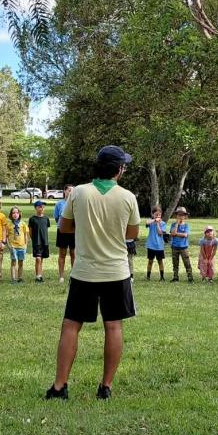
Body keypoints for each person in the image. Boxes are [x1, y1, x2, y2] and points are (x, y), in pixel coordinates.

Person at [46, 146, 139, 401]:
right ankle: (105, 386)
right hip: (116, 271)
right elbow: (131, 234)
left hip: (85, 271)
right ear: (119, 170)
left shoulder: (79, 192)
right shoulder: (128, 197)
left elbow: (64, 227)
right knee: (114, 326)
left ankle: (59, 386)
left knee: (71, 326)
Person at [54, 184, 75, 283]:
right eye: (69, 190)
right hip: (62, 231)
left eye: (73, 190)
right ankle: (61, 276)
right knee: (62, 253)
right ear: (64, 191)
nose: (71, 192)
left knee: (73, 253)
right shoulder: (59, 204)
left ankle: (74, 275)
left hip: (74, 231)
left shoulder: (76, 203)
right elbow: (56, 218)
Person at [169, 207, 193, 283]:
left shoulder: (186, 225)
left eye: (182, 215)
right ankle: (175, 277)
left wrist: (176, 234)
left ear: (185, 216)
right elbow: (172, 234)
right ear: (176, 216)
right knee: (175, 263)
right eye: (179, 215)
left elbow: (185, 235)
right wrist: (176, 225)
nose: (180, 217)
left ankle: (190, 277)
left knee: (187, 263)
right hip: (174, 247)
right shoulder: (173, 225)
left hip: (184, 247)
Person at [28, 201, 50, 282]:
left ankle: (40, 275)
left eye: (43, 207)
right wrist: (33, 240)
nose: (42, 208)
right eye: (40, 207)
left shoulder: (46, 219)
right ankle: (37, 276)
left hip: (44, 242)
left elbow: (45, 229)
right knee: (38, 259)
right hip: (37, 242)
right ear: (36, 208)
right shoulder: (32, 219)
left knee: (41, 259)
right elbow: (30, 231)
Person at [144, 207, 168, 281]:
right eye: (156, 214)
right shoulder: (151, 222)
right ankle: (148, 276)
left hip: (159, 246)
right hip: (151, 245)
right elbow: (146, 223)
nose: (158, 216)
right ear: (153, 214)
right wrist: (154, 220)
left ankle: (162, 277)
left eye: (159, 215)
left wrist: (157, 224)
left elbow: (160, 233)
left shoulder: (163, 223)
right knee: (150, 261)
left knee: (160, 261)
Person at [7, 206, 29, 283]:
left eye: (17, 213)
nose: (15, 214)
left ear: (19, 214)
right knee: (14, 261)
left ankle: (20, 277)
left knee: (21, 262)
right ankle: (14, 278)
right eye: (13, 213)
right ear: (11, 214)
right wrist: (9, 245)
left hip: (22, 246)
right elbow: (6, 236)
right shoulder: (8, 224)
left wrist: (26, 245)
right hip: (13, 246)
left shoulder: (23, 223)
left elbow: (26, 235)